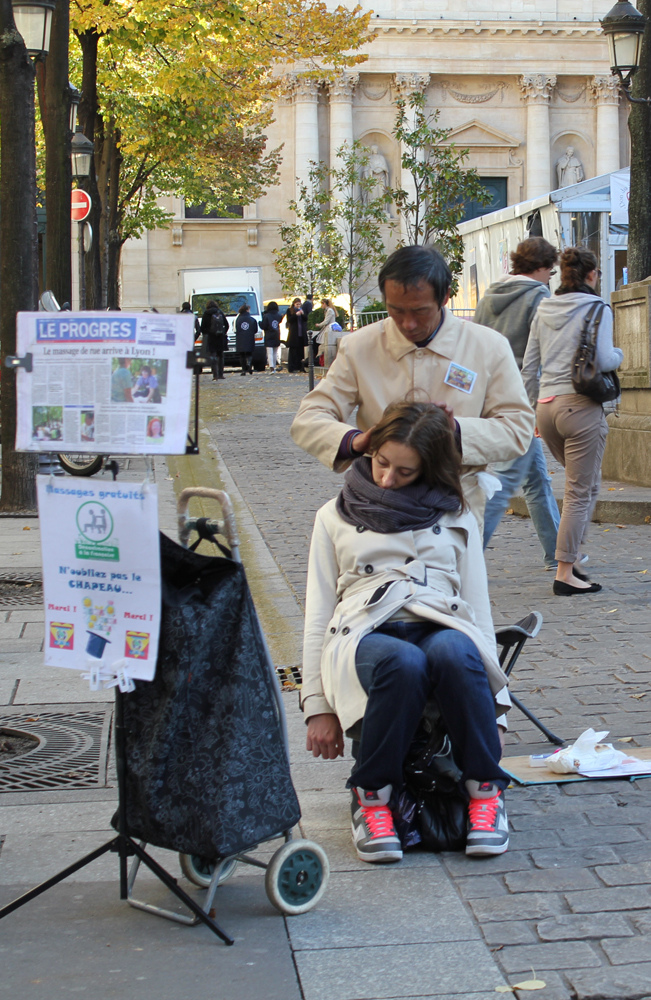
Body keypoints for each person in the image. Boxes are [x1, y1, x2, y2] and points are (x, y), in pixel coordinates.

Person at [303, 401, 511, 862]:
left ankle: (485, 795)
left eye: (405, 471)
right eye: (381, 462)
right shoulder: (332, 516)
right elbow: (317, 613)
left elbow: (478, 610)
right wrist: (316, 706)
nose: (386, 479)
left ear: (430, 469)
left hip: (441, 622)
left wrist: (497, 712)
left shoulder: (457, 517)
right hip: (365, 633)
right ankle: (372, 799)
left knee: (456, 650)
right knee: (403, 662)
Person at [290, 245, 535, 529]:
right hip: (379, 504)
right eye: (396, 310)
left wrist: (454, 432)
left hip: (456, 505)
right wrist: (356, 442)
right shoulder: (361, 346)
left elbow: (518, 429)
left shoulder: (488, 347)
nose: (408, 324)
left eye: (420, 312)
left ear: (444, 297)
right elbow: (309, 417)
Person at [521, 246, 623, 596]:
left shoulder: (544, 307)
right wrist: (622, 355)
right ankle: (565, 571)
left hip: (546, 408)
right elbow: (605, 357)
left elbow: (529, 366)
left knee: (588, 484)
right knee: (580, 491)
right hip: (580, 406)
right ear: (592, 275)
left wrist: (532, 409)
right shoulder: (597, 307)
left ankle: (573, 559)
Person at [474, 237, 561, 570]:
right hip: (520, 401)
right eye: (549, 272)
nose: (549, 278)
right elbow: (540, 356)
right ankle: (464, 561)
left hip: (489, 396)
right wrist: (535, 404)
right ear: (539, 267)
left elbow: (477, 348)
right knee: (506, 482)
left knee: (536, 479)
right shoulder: (538, 297)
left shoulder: (489, 296)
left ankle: (557, 552)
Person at [200, 300, 229, 380]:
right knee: (221, 356)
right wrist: (223, 332)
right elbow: (226, 325)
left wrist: (208, 333)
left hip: (211, 337)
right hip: (220, 337)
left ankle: (215, 375)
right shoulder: (220, 312)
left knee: (213, 355)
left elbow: (203, 327)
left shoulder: (206, 314)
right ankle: (221, 374)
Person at [235, 302, 258, 375]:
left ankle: (243, 370)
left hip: (240, 338)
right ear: (247, 310)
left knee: (242, 355)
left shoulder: (238, 319)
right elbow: (255, 330)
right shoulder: (252, 319)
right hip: (249, 338)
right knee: (249, 353)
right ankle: (249, 365)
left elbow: (236, 329)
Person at [285, 297, 307, 373]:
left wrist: (303, 314)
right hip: (294, 333)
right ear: (294, 304)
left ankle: (300, 366)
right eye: (297, 304)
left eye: (299, 304)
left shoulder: (301, 310)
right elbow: (289, 320)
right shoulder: (290, 310)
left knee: (301, 351)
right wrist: (296, 315)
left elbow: (305, 319)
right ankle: (292, 367)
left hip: (301, 333)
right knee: (293, 351)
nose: (298, 305)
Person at [314, 298, 336, 367]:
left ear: (324, 304)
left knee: (316, 342)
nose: (321, 306)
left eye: (322, 304)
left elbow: (326, 321)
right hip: (326, 328)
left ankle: (316, 360)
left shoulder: (329, 310)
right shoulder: (328, 310)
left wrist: (319, 325)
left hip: (328, 329)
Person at [261, 301, 282, 372]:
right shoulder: (279, 315)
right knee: (275, 352)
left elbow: (264, 326)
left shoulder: (266, 316)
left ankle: (271, 367)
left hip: (269, 334)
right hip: (276, 334)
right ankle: (274, 366)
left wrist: (259, 323)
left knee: (269, 352)